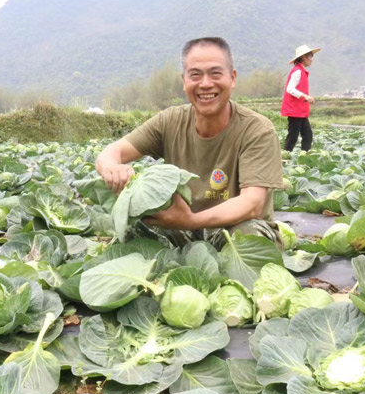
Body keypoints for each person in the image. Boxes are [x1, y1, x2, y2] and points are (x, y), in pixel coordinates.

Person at [96, 37, 284, 245]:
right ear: (184, 81)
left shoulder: (257, 130)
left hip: (233, 227)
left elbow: (252, 204)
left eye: (215, 73)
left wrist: (190, 220)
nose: (205, 84)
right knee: (134, 235)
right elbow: (113, 152)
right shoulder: (169, 121)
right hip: (183, 232)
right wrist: (111, 167)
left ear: (232, 78)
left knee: (250, 238)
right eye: (195, 75)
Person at [280, 44, 320, 152]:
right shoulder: (297, 71)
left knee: (307, 135)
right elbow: (290, 89)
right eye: (310, 56)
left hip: (300, 110)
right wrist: (305, 96)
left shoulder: (301, 71)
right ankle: (285, 157)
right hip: (295, 110)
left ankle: (305, 158)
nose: (311, 60)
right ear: (303, 57)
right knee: (293, 136)